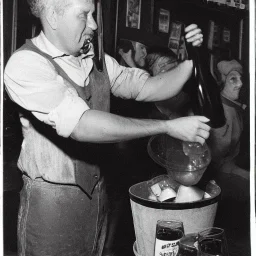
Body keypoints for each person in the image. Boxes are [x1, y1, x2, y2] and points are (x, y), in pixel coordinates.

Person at [4, 0, 209, 255]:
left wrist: (192, 60)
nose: (94, 24)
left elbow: (150, 87)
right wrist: (167, 126)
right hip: (51, 209)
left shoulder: (95, 59)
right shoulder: (25, 65)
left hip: (98, 199)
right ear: (54, 17)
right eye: (84, 15)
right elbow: (82, 125)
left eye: (93, 14)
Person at [207, 59, 249, 181]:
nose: (240, 83)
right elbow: (217, 160)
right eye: (233, 79)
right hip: (220, 173)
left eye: (241, 78)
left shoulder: (234, 106)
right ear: (221, 82)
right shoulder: (221, 111)